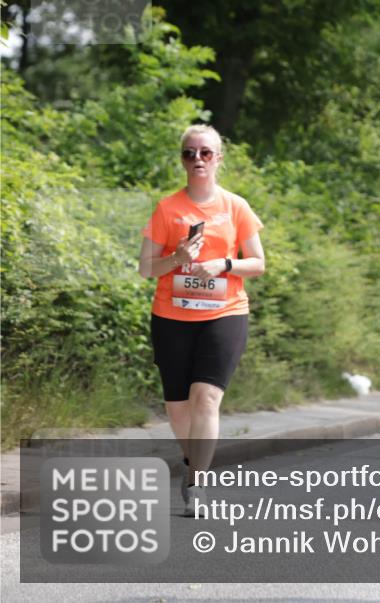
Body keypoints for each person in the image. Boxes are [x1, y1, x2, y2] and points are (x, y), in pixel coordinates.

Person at [138, 125, 265, 516]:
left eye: (205, 153)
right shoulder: (167, 208)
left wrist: (224, 264)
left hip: (224, 313)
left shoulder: (235, 207)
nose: (197, 160)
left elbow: (257, 263)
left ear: (218, 159)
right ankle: (193, 463)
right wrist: (176, 260)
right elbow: (145, 268)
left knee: (206, 398)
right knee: (178, 409)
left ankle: (198, 485)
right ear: (182, 160)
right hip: (172, 315)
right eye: (190, 153)